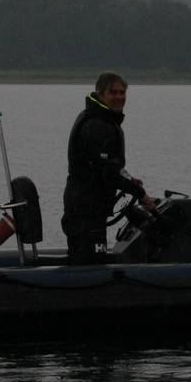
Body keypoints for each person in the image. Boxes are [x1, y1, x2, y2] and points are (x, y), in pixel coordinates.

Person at [62, 72, 158, 264]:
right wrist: (141, 194)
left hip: (88, 208)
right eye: (113, 92)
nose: (119, 97)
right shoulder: (98, 125)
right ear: (100, 95)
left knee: (88, 260)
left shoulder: (100, 119)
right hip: (85, 211)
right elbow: (110, 173)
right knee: (90, 266)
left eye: (122, 92)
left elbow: (108, 167)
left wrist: (130, 181)